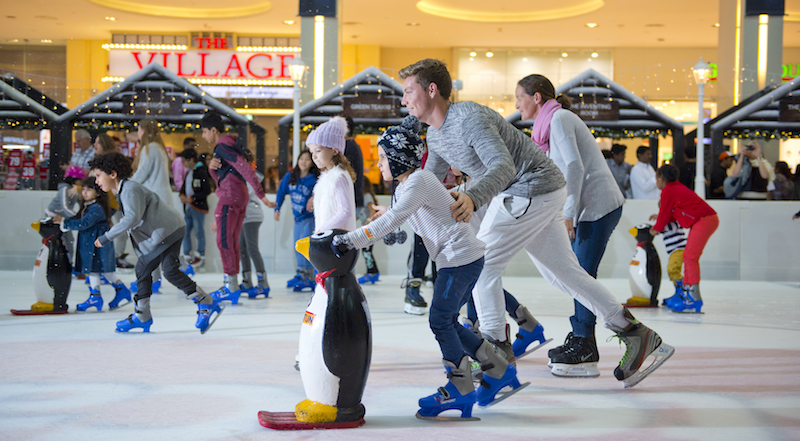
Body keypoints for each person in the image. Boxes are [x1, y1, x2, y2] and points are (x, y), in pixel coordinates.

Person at [398, 58, 673, 387]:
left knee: (483, 266)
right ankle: (634, 332)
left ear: (431, 90)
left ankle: (496, 360)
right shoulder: (437, 135)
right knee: (565, 274)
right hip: (539, 192)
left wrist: (472, 198)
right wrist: (400, 208)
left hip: (529, 188)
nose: (403, 100)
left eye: (408, 91)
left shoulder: (468, 118)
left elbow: (503, 167)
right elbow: (429, 182)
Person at [331, 116, 524, 418]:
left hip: (460, 258)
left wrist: (350, 240)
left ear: (397, 158)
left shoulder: (419, 180)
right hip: (455, 259)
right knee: (447, 320)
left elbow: (393, 220)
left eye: (382, 158)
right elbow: (399, 221)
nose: (378, 164)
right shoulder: (406, 186)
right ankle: (498, 369)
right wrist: (385, 217)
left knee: (440, 320)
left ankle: (460, 388)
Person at [515, 73, 625, 377]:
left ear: (536, 97)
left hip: (597, 206)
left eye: (519, 97)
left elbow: (574, 166)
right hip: (588, 207)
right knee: (576, 272)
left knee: (580, 273)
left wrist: (568, 213)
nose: (516, 104)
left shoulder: (560, 119)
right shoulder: (545, 127)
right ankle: (581, 338)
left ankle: (585, 345)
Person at [89, 152, 220, 333]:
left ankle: (142, 315)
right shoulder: (124, 190)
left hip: (167, 231)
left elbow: (132, 218)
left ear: (112, 174)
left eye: (98, 175)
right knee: (170, 271)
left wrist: (106, 237)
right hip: (170, 229)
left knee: (144, 268)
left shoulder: (129, 189)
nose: (96, 181)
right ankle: (204, 301)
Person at [203, 112, 275, 303]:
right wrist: (211, 169)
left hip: (230, 198)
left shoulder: (223, 145)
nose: (203, 136)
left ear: (213, 130)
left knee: (225, 242)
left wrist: (262, 195)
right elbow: (223, 177)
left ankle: (231, 285)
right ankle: (232, 284)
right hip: (237, 196)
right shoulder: (228, 146)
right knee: (232, 242)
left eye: (204, 132)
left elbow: (244, 168)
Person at [54, 177, 131, 312]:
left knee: (104, 271)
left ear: (99, 192)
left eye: (89, 190)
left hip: (97, 244)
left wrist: (64, 223)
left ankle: (118, 292)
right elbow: (79, 219)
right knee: (94, 270)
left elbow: (84, 223)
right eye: (83, 189)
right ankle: (97, 296)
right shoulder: (89, 206)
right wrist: (64, 220)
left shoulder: (96, 208)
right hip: (91, 243)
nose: (85, 192)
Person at [649, 164, 718, 313]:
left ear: (661, 178)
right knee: (688, 257)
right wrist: (660, 218)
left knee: (690, 257)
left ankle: (693, 298)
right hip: (705, 219)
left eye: (656, 178)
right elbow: (673, 212)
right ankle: (687, 294)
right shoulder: (674, 187)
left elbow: (665, 214)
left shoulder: (668, 190)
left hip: (705, 220)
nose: (656, 182)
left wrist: (655, 230)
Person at [129, 119, 174, 293]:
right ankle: (154, 278)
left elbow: (141, 174)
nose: (138, 132)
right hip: (162, 198)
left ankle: (152, 279)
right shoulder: (159, 149)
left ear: (144, 130)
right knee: (155, 241)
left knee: (149, 243)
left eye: (139, 129)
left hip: (154, 200)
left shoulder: (150, 148)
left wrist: (124, 185)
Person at [275, 150, 319, 289]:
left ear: (311, 162)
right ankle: (301, 274)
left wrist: (314, 197)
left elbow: (323, 192)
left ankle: (310, 276)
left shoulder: (314, 179)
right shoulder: (291, 176)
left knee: (306, 246)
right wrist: (277, 209)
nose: (303, 162)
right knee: (298, 246)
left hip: (309, 218)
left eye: (307, 159)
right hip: (297, 219)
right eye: (301, 159)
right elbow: (281, 192)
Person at [239, 167, 270, 299]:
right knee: (243, 248)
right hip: (244, 215)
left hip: (251, 215)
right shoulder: (239, 174)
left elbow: (244, 196)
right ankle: (247, 282)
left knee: (252, 248)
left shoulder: (250, 176)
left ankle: (263, 283)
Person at [178, 148, 211, 271]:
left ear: (191, 160)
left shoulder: (200, 172)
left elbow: (206, 190)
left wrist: (192, 198)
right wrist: (182, 195)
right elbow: (184, 187)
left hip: (198, 207)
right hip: (188, 207)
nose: (183, 163)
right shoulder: (189, 172)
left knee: (198, 231)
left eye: (184, 161)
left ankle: (200, 255)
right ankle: (187, 254)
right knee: (185, 231)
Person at [45, 165, 85, 267]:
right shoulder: (64, 188)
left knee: (69, 240)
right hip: (54, 218)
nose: (81, 182)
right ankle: (58, 264)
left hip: (64, 218)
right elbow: (65, 207)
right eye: (80, 180)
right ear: (75, 179)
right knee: (60, 241)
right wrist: (77, 218)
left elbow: (79, 203)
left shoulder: (74, 189)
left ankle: (69, 263)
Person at [356, 177, 381, 285]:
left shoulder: (367, 196)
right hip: (367, 229)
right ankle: (372, 272)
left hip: (370, 230)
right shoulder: (362, 197)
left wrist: (368, 221)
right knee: (366, 250)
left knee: (367, 251)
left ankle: (372, 273)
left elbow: (372, 210)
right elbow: (359, 215)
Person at [342, 115, 365, 221]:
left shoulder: (347, 148)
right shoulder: (354, 146)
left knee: (343, 235)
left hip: (349, 200)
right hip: (355, 198)